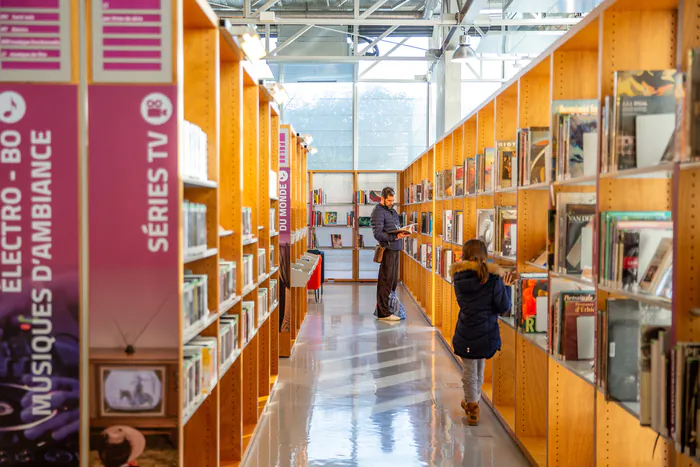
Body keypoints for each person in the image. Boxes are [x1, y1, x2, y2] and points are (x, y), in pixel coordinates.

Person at [449, 239, 514, 425]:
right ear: (485, 255)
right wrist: (506, 287)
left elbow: (464, 303)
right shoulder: (493, 278)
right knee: (479, 368)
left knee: (469, 371)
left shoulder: (458, 277)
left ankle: (473, 405)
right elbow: (504, 307)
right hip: (487, 331)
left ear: (464, 254)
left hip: (466, 329)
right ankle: (472, 404)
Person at [370, 187, 409, 322]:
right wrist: (396, 237)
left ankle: (389, 308)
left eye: (393, 200)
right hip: (388, 249)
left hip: (396, 249)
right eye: (389, 200)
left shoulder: (392, 210)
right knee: (385, 281)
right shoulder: (378, 212)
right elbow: (378, 234)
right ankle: (383, 313)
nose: (391, 202)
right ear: (382, 198)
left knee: (392, 282)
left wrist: (403, 231)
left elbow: (394, 227)